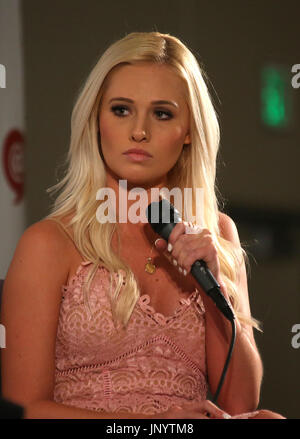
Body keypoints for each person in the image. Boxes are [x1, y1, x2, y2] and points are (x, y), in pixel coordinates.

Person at [0, 31, 285, 419]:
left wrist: (215, 285)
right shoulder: (49, 243)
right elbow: (24, 409)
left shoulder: (217, 233)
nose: (139, 131)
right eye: (121, 109)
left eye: (162, 113)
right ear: (95, 119)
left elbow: (240, 404)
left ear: (188, 132)